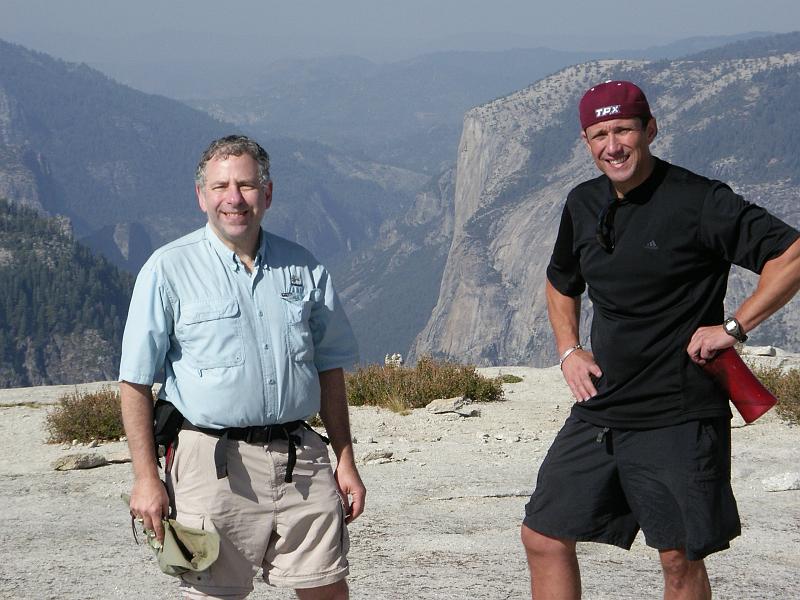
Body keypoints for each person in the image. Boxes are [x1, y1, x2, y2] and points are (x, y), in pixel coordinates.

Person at [521, 81, 800, 599]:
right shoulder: (583, 202)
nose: (613, 146)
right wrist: (568, 350)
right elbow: (561, 282)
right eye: (600, 135)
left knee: (678, 559)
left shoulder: (699, 200)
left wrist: (734, 328)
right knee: (543, 535)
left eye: (623, 130)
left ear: (649, 130)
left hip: (679, 413)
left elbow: (792, 254)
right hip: (603, 407)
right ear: (586, 141)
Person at [119, 135, 365, 600]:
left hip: (301, 459)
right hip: (210, 464)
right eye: (220, 187)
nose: (233, 198)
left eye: (246, 185)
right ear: (201, 196)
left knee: (328, 590)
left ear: (267, 194)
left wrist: (346, 460)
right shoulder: (167, 270)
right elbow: (134, 382)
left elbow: (329, 368)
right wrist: (146, 478)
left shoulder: (304, 269)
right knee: (214, 595)